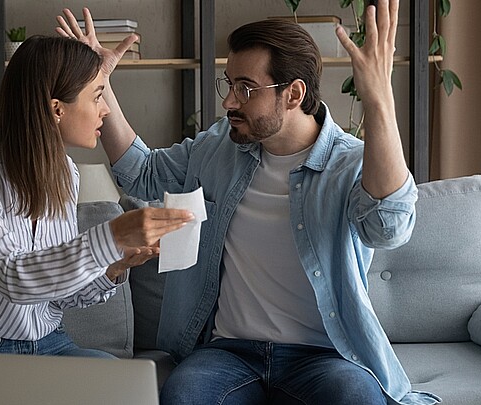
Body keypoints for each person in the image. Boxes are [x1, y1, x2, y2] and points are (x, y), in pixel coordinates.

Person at [56, 1, 440, 404]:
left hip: (324, 357)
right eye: (230, 85)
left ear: (293, 94)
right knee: (182, 397)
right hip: (229, 353)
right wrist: (103, 83)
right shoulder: (218, 147)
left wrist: (379, 101)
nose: (229, 102)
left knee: (359, 398)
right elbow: (143, 173)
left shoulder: (349, 163)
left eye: (246, 89)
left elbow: (389, 227)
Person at [0, 35, 194, 405]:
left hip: (53, 345)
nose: (105, 111)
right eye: (97, 96)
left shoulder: (65, 171)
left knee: (132, 393)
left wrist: (114, 266)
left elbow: (59, 295)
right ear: (56, 109)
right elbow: (10, 275)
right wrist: (111, 235)